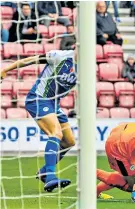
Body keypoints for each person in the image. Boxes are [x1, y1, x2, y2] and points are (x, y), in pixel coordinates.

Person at [1, 49, 78, 192]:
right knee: (55, 133)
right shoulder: (60, 56)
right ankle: (50, 177)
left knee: (69, 142)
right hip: (39, 99)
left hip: (54, 104)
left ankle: (43, 172)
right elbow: (29, 60)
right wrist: (6, 69)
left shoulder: (86, 69)